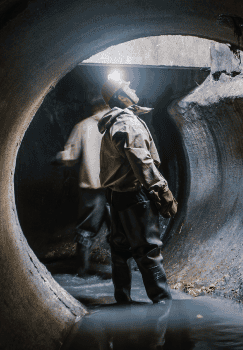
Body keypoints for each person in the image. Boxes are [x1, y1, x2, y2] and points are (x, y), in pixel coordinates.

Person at [97, 76, 178, 304]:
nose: (133, 87)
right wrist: (163, 194)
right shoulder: (128, 124)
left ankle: (123, 302)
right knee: (149, 252)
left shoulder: (114, 122)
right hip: (134, 197)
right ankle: (163, 306)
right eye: (128, 86)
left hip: (116, 196)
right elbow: (142, 163)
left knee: (120, 250)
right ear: (121, 96)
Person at [51, 99, 111, 276]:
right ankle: (122, 275)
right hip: (118, 189)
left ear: (94, 107)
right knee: (121, 232)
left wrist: (58, 158)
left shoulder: (83, 126)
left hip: (92, 189)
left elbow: (70, 156)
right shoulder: (119, 124)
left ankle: (82, 271)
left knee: (86, 231)